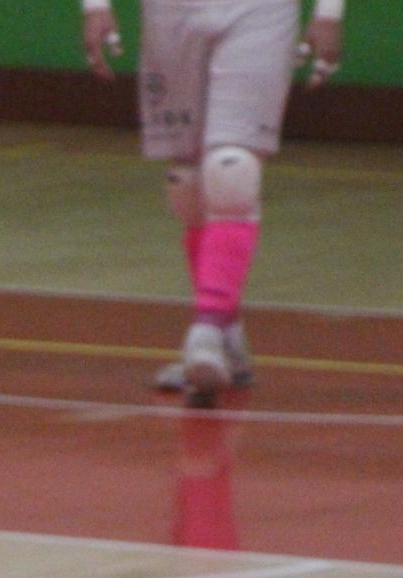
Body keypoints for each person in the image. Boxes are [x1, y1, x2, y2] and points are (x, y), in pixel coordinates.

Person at [81, 0, 346, 395]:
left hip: (260, 10)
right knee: (187, 186)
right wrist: (95, 6)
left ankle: (205, 330)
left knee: (231, 172)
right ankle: (227, 335)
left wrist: (329, 13)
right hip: (170, 14)